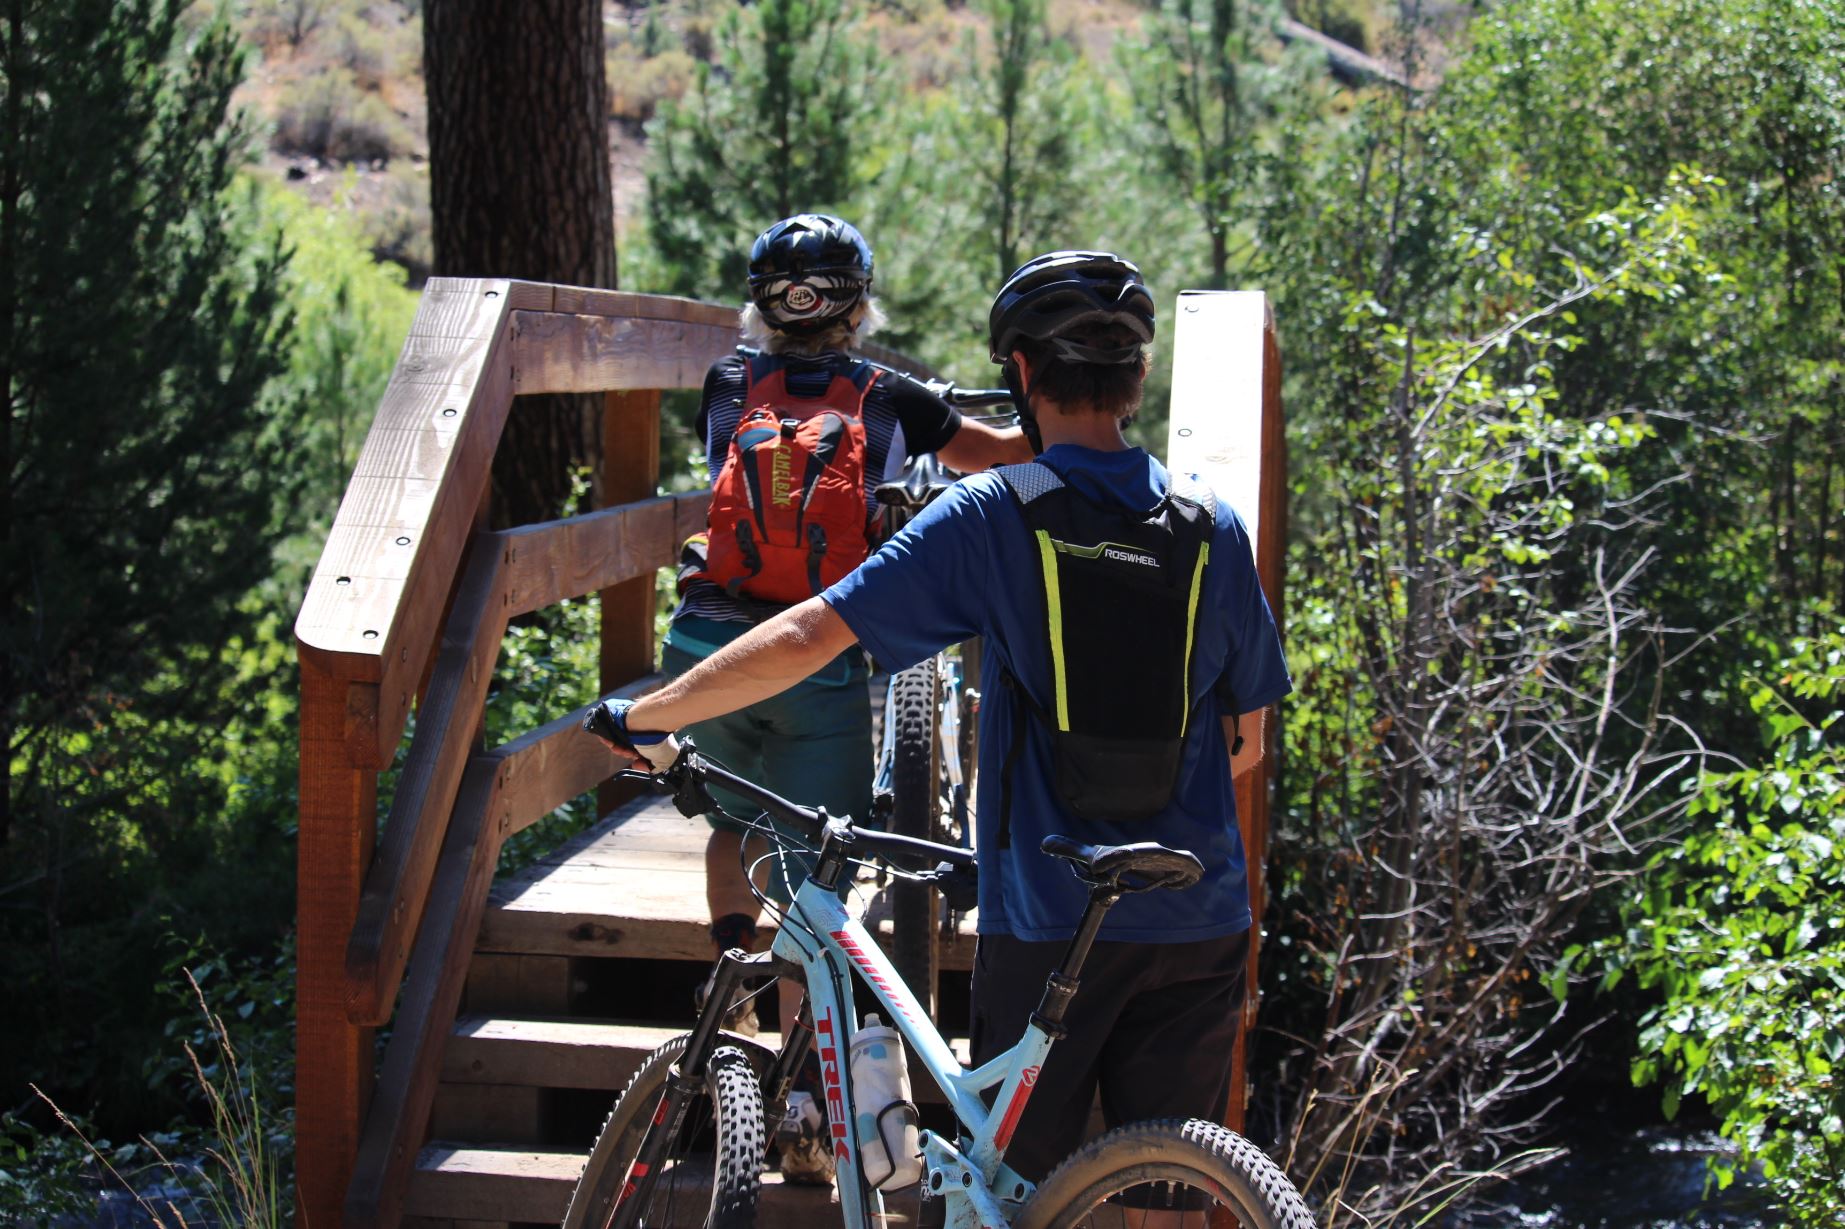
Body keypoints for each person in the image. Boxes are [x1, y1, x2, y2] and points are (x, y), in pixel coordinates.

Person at [598, 250, 1290, 1185]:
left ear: (1021, 375)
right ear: (1135, 380)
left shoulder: (992, 515)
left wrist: (650, 712)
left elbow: (810, 633)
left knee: (1008, 1194)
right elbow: (1244, 739)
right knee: (1167, 1187)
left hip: (1049, 916)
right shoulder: (1211, 522)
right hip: (1198, 905)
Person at [666, 216, 1029, 1040]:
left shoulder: (727, 381)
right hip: (813, 657)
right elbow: (998, 454)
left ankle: (731, 989)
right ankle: (799, 1080)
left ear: (761, 303)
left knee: (730, 825)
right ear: (858, 305)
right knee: (811, 867)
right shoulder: (890, 397)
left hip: (707, 647)